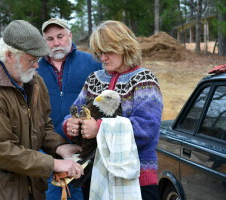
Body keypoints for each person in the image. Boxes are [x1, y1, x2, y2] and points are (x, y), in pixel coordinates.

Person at [0, 20, 83, 200]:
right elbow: (2, 150)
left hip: (25, 183)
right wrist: (53, 164)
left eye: (38, 59)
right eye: (31, 60)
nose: (37, 66)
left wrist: (60, 146)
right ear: (9, 55)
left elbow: (43, 126)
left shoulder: (35, 83)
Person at [64, 20, 163, 199]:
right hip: (94, 176)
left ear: (125, 47)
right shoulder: (94, 79)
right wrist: (71, 125)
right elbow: (76, 112)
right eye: (100, 52)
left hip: (136, 177)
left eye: (108, 51)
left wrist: (99, 128)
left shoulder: (145, 80)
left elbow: (147, 128)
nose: (103, 58)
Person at [37, 18, 102, 200]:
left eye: (60, 36)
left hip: (88, 152)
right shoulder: (35, 68)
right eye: (50, 39)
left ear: (70, 35)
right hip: (49, 151)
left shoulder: (92, 62)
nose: (56, 42)